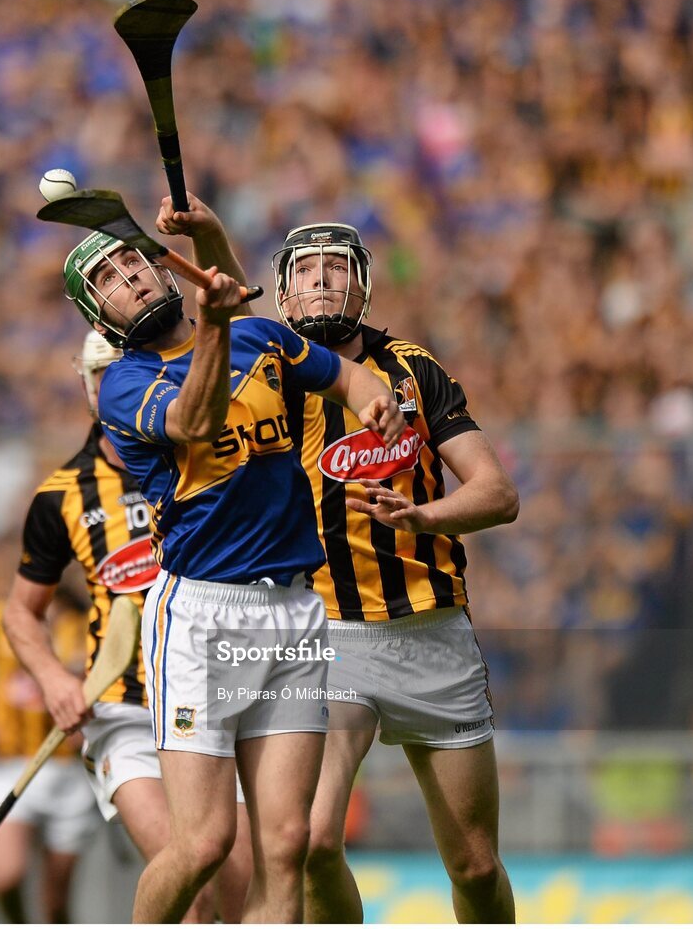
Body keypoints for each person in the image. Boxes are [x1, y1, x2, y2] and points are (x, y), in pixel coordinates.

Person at [156, 198, 519, 923]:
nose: (322, 282)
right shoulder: (276, 367)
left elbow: (498, 493)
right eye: (307, 269)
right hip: (325, 636)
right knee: (314, 839)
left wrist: (426, 515)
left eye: (336, 267)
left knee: (475, 866)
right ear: (283, 289)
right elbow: (236, 311)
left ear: (364, 284)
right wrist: (214, 236)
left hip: (429, 631)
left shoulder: (412, 369)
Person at [60, 215, 406, 923]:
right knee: (205, 845)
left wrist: (370, 398)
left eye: (133, 263)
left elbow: (339, 373)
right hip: (200, 619)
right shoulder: (127, 384)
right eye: (107, 282)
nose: (128, 280)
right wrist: (217, 323)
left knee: (286, 843)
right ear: (99, 314)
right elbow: (193, 420)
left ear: (165, 267)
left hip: (292, 614)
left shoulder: (261, 336)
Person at [2, 330, 250, 923]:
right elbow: (20, 612)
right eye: (101, 376)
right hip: (126, 709)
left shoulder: (211, 459)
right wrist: (55, 682)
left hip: (219, 696)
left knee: (239, 891)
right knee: (190, 879)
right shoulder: (61, 495)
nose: (115, 387)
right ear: (87, 388)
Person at [0, 585, 100, 923]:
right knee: (6, 875)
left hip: (68, 771)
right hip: (8, 765)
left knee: (56, 901)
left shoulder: (87, 617)